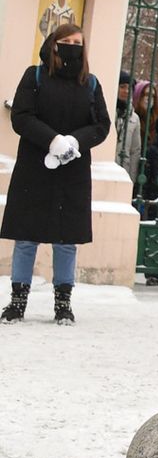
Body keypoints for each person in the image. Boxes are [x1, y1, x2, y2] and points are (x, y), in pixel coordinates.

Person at [1, 24, 111, 325]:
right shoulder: (34, 76)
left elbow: (102, 124)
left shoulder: (90, 83)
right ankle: (17, 301)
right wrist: (52, 140)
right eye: (66, 41)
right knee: (26, 237)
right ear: (53, 44)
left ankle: (63, 304)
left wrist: (75, 141)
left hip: (72, 169)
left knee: (66, 240)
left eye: (78, 42)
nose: (72, 46)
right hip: (34, 166)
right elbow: (22, 116)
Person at [115, 71, 142, 188]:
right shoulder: (106, 111)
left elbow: (135, 151)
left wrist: (130, 179)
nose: (126, 91)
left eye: (129, 88)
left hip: (123, 170)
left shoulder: (134, 118)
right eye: (122, 87)